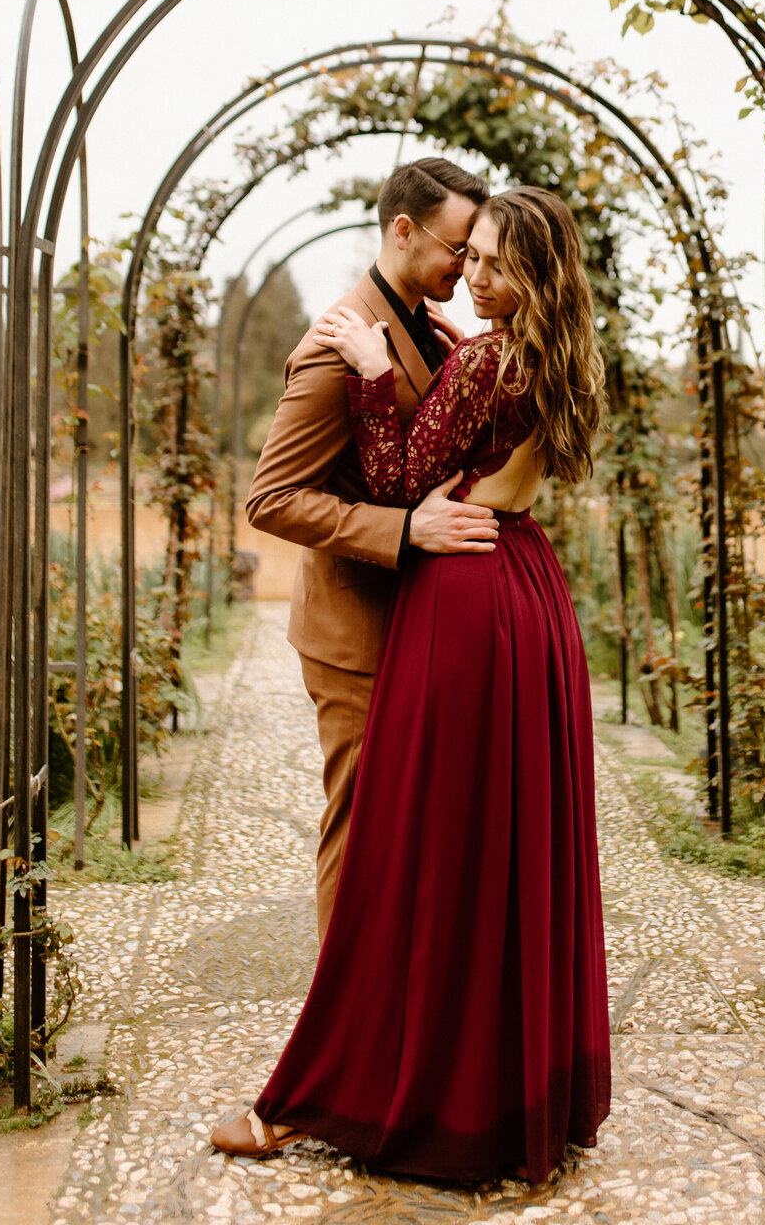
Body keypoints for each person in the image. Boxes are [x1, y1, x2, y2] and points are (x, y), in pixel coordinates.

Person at [214, 186, 611, 1184]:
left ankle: (349, 1094)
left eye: (492, 263)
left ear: (533, 275)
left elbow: (394, 481)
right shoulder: (561, 357)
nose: (473, 275)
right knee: (503, 850)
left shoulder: (478, 357)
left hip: (462, 602)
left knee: (408, 861)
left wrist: (373, 371)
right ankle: (506, 1088)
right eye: (466, 254)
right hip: (525, 589)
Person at [243, 157, 495, 941]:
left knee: (408, 835)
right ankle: (343, 1026)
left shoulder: (424, 326)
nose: (467, 265)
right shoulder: (334, 345)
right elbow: (271, 499)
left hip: (407, 623)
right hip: (354, 635)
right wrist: (404, 532)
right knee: (358, 832)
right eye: (459, 248)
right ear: (402, 230)